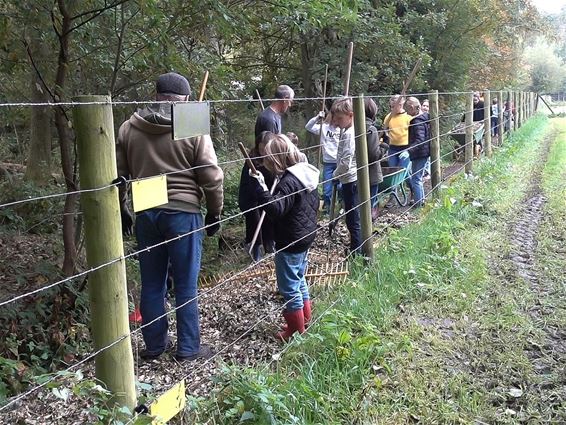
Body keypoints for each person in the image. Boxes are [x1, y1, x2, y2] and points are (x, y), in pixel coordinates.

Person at [116, 72, 224, 361]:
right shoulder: (191, 124)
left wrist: (124, 207)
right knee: (186, 284)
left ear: (156, 95)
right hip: (183, 211)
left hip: (146, 209)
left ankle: (154, 346)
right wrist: (215, 212)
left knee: (152, 282)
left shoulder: (130, 126)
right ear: (185, 100)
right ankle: (188, 348)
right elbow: (211, 177)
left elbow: (119, 176)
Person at [249, 134, 319, 341]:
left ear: (277, 159)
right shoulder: (305, 173)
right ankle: (304, 319)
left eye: (269, 160)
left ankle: (296, 331)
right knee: (299, 278)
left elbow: (275, 208)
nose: (268, 165)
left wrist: (260, 188)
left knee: (288, 286)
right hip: (304, 235)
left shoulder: (289, 181)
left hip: (290, 240)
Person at [238, 131, 276, 261]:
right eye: (261, 149)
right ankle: (255, 249)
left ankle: (270, 245)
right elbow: (248, 184)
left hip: (267, 194)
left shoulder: (275, 157)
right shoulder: (251, 160)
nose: (263, 153)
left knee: (271, 216)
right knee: (254, 219)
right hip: (251, 196)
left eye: (265, 150)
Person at [331, 97, 361, 254]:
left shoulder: (350, 134)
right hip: (348, 178)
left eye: (340, 118)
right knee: (351, 216)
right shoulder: (347, 130)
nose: (336, 121)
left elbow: (345, 163)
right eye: (335, 117)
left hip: (350, 179)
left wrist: (334, 175)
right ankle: (356, 248)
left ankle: (357, 251)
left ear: (351, 115)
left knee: (353, 218)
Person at [305, 110, 340, 213]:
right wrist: (317, 117)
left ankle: (341, 208)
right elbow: (308, 126)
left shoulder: (343, 129)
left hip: (340, 162)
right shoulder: (324, 128)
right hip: (328, 163)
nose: (335, 120)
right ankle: (327, 210)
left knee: (341, 188)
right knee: (326, 190)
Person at [364, 98, 387, 220]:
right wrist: (384, 146)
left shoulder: (352, 126)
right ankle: (366, 232)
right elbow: (373, 155)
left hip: (355, 174)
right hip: (371, 174)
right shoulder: (370, 129)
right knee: (368, 204)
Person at [405, 97, 430, 207]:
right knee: (417, 177)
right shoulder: (424, 118)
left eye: (407, 109)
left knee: (416, 179)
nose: (406, 112)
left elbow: (420, 140)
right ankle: (421, 200)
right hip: (422, 152)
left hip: (420, 153)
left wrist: (408, 150)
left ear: (412, 107)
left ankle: (419, 204)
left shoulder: (417, 122)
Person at [382, 94, 412, 171]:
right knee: (393, 170)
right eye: (391, 106)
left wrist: (409, 150)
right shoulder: (388, 117)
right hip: (392, 148)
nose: (392, 109)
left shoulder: (408, 118)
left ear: (400, 105)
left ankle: (410, 182)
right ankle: (398, 183)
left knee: (403, 171)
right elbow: (385, 131)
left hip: (405, 148)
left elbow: (413, 134)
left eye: (393, 107)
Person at [420, 99, 431, 179]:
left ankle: (427, 172)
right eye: (424, 105)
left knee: (427, 158)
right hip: (420, 139)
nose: (425, 107)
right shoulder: (418, 117)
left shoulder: (430, 117)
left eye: (427, 106)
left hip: (428, 139)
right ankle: (422, 172)